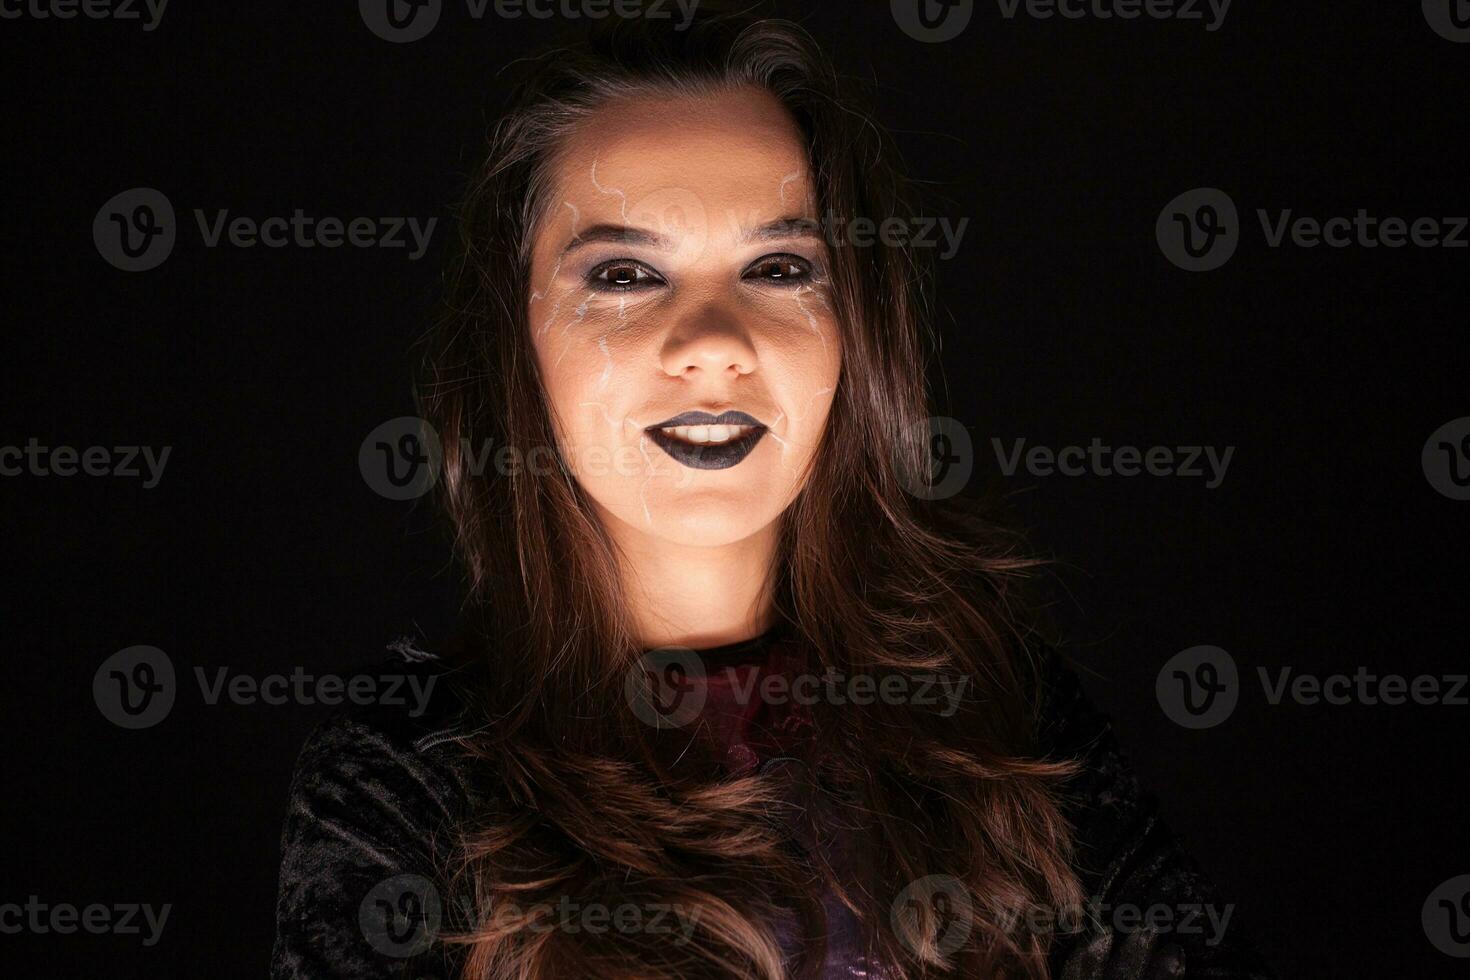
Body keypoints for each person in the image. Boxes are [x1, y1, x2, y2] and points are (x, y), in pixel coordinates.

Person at [272, 10, 1274, 979]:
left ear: (853, 332)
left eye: (779, 266)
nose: (713, 338)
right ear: (516, 344)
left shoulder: (999, 717)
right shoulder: (407, 779)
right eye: (624, 273)